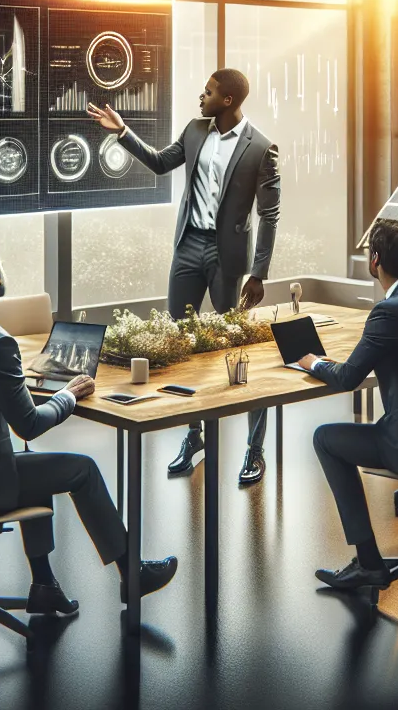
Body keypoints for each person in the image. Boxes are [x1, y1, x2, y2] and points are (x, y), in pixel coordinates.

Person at [0, 240, 178, 616]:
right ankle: (131, 573)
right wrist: (68, 395)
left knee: (31, 467)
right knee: (81, 469)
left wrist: (13, 383)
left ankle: (44, 585)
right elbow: (29, 424)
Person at [88, 67, 282, 485]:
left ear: (227, 100)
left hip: (228, 257)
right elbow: (160, 164)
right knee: (178, 342)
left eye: (208, 91)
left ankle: (254, 449)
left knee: (238, 350)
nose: (201, 95)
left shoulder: (261, 148)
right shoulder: (195, 130)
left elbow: (269, 215)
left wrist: (259, 272)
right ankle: (192, 436)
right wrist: (122, 131)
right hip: (189, 247)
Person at [296, 219, 398, 589]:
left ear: (375, 260)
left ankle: (370, 562)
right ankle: (367, 562)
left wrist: (314, 363)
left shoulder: (388, 312)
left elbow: (348, 378)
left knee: (324, 438)